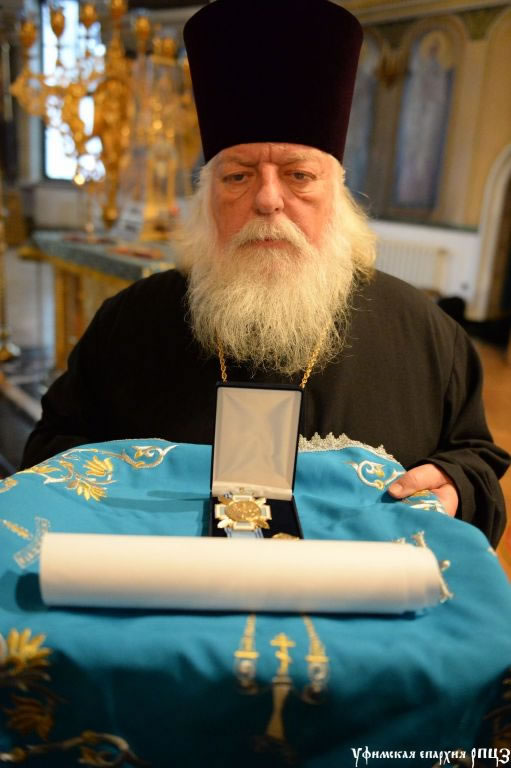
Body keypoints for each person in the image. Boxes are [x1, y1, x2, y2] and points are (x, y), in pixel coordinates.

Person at [21, 0, 509, 546]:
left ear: (338, 197)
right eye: (238, 176)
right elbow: (48, 453)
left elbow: (475, 461)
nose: (268, 200)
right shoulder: (128, 322)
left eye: (299, 175)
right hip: (164, 590)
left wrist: (457, 485)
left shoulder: (425, 333)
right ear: (206, 200)